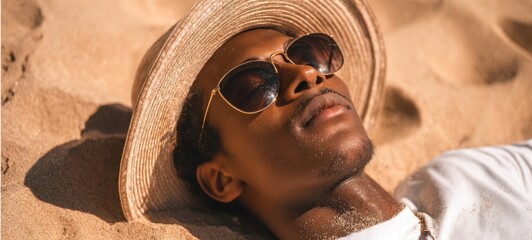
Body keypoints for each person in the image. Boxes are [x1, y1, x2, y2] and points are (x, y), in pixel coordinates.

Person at [118, 1, 532, 239]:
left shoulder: (472, 176)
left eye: (309, 54)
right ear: (222, 178)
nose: (306, 75)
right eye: (251, 85)